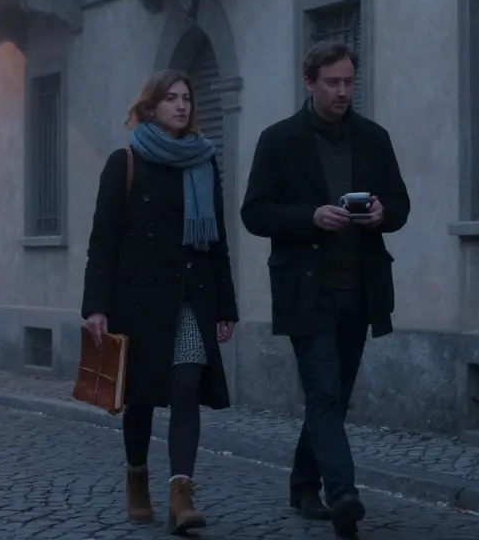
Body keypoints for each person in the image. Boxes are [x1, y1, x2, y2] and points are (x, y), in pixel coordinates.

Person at [239, 40, 409, 538]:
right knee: (324, 391)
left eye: (349, 81)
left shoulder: (373, 138)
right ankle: (343, 494)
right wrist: (310, 217)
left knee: (333, 397)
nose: (342, 91)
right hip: (306, 289)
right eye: (332, 82)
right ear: (309, 82)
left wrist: (383, 214)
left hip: (360, 288)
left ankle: (302, 482)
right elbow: (254, 212)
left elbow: (400, 202)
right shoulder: (279, 140)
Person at [81, 68, 239, 535]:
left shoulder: (203, 163)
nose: (181, 105)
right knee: (142, 400)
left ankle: (181, 494)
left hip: (190, 298)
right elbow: (102, 242)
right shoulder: (125, 162)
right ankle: (136, 476)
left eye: (186, 97)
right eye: (171, 98)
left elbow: (218, 243)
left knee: (186, 386)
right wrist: (96, 306)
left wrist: (226, 306)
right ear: (150, 107)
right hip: (137, 300)